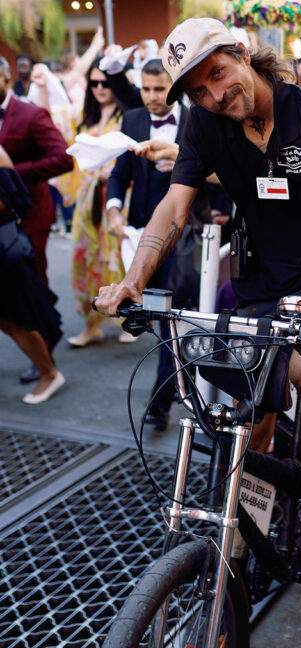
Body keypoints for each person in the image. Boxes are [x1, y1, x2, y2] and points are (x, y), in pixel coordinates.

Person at [95, 18, 301, 526]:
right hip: (261, 277)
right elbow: (174, 207)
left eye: (218, 74)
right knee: (249, 410)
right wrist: (134, 279)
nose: (215, 95)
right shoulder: (203, 124)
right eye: (198, 91)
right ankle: (238, 535)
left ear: (240, 52)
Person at [106, 58, 195, 432]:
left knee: (174, 317)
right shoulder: (133, 120)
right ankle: (176, 386)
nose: (152, 97)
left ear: (173, 87)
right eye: (146, 89)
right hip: (143, 236)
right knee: (159, 317)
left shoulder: (197, 123)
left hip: (189, 234)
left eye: (159, 89)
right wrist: (113, 209)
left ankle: (162, 401)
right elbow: (118, 173)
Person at [66, 58, 143, 348]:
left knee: (117, 258)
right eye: (94, 82)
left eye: (105, 82)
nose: (100, 88)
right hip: (87, 203)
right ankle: (91, 324)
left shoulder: (128, 117)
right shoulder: (85, 116)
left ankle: (125, 318)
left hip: (117, 198)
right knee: (85, 259)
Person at [0, 144, 65, 403]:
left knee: (16, 318)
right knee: (6, 320)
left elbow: (12, 203)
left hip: (4, 253)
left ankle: (49, 373)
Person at [0, 56, 74, 284]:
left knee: (34, 288)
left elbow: (64, 159)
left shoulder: (31, 114)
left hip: (30, 217)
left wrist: (10, 173)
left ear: (6, 78)